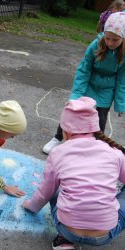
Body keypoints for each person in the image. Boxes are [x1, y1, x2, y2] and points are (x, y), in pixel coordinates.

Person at [23, 97, 125, 250]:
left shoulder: (58, 153)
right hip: (105, 235)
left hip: (67, 229)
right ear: (95, 128)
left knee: (54, 188)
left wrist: (31, 206)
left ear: (65, 131)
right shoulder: (114, 153)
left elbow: (45, 192)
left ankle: (63, 240)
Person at [43, 12, 125, 155]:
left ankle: (92, 149)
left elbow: (122, 80)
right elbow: (84, 70)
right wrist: (77, 94)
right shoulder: (95, 45)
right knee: (74, 113)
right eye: (108, 38)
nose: (111, 43)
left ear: (123, 38)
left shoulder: (123, 53)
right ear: (104, 34)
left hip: (107, 89)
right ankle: (57, 137)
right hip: (89, 84)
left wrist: (120, 104)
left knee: (99, 122)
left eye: (115, 40)